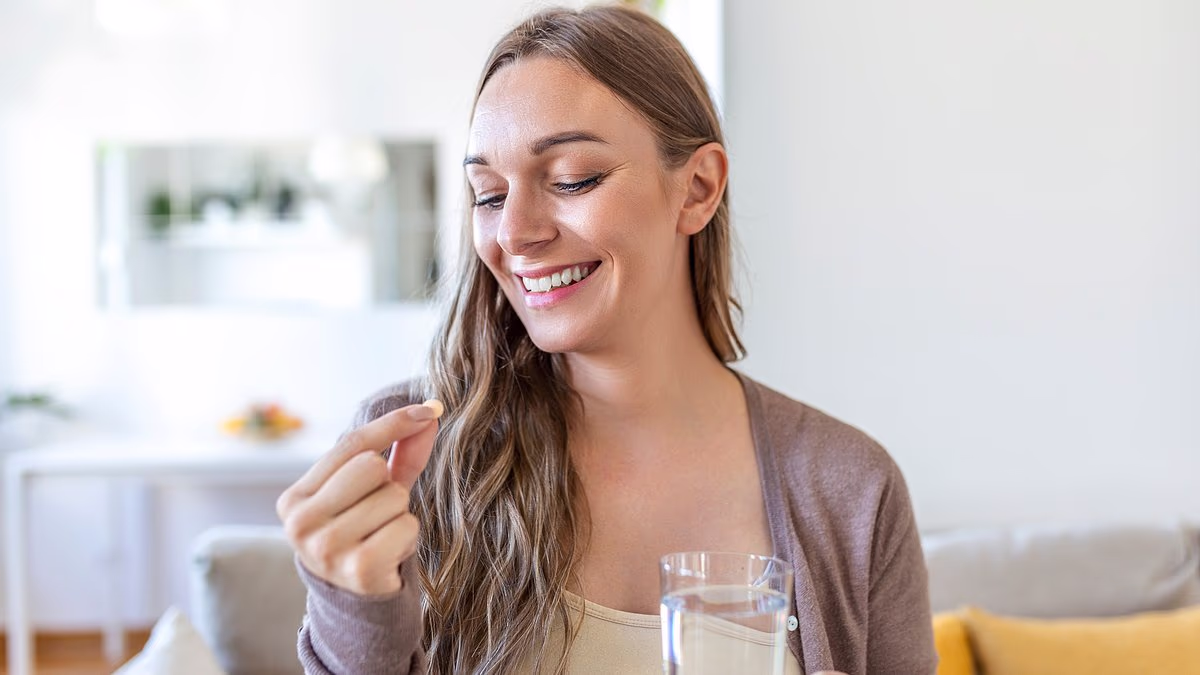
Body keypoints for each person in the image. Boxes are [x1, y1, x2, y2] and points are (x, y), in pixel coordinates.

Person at [275, 5, 937, 674]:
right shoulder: (411, 462)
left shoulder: (853, 490)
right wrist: (355, 617)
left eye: (571, 179)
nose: (514, 232)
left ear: (698, 188)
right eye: (488, 194)